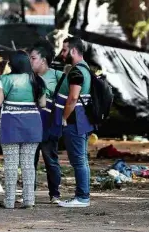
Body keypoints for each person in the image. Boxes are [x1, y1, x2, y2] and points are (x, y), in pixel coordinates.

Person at [0, 50, 46, 209]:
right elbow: (42, 104)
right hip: (32, 124)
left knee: (11, 164)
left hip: (10, 124)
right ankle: (29, 200)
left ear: (12, 64)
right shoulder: (37, 80)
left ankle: (9, 201)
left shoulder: (6, 79)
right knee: (29, 164)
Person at [55, 36, 94, 208]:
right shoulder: (85, 69)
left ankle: (82, 197)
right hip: (82, 121)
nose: (62, 54)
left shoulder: (77, 71)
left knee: (78, 160)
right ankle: (82, 196)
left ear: (72, 51)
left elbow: (73, 98)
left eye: (64, 50)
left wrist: (63, 117)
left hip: (75, 121)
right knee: (81, 159)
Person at [29, 40, 64, 204]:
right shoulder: (27, 77)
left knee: (51, 160)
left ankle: (55, 194)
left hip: (49, 124)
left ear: (43, 60)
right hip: (31, 125)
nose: (30, 61)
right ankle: (30, 194)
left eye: (33, 58)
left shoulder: (58, 76)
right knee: (30, 161)